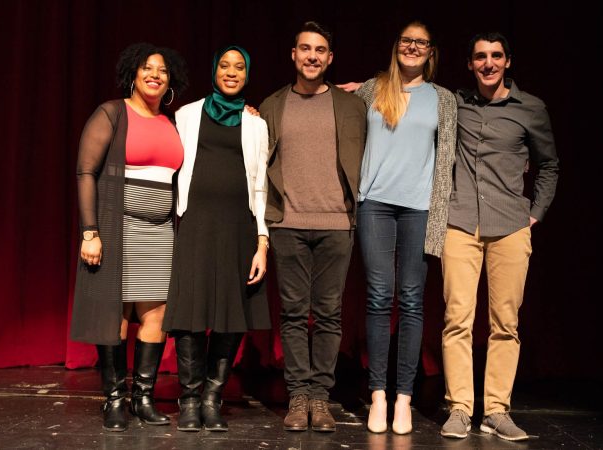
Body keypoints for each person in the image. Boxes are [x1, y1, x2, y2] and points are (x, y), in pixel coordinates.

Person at [438, 32, 559, 441]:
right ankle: (459, 407)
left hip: (509, 226)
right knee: (457, 319)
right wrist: (357, 89)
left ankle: (495, 409)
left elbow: (549, 165)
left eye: (496, 56)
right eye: (480, 57)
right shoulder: (454, 103)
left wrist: (535, 214)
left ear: (508, 61)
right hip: (460, 223)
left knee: (505, 323)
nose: (488, 63)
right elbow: (406, 91)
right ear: (469, 64)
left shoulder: (531, 109)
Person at [344, 20, 457, 435]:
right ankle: (378, 395)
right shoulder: (372, 90)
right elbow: (329, 106)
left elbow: (450, 154)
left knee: (411, 300)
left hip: (420, 208)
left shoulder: (443, 100)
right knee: (378, 296)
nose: (412, 47)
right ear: (397, 46)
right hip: (374, 204)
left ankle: (404, 399)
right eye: (406, 41)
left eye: (421, 43)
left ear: (431, 52)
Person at [71, 42, 189, 432]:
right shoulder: (112, 112)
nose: (155, 75)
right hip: (119, 227)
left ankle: (143, 398)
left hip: (161, 232)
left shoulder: (171, 122)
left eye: (163, 70)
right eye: (147, 68)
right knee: (117, 315)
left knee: (154, 314)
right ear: (133, 75)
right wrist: (91, 231)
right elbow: (86, 171)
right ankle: (115, 400)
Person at [258, 21, 367, 433]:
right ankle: (298, 395)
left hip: (337, 224)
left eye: (320, 50)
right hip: (288, 222)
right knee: (291, 313)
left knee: (328, 314)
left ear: (330, 58)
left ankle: (320, 398)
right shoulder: (272, 105)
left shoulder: (351, 105)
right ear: (293, 54)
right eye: (305, 49)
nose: (312, 56)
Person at [162, 45, 271, 433]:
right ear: (214, 70)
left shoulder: (257, 123)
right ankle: (189, 399)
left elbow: (261, 187)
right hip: (196, 225)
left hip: (239, 227)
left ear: (247, 74)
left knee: (231, 315)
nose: (231, 72)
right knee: (190, 314)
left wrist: (262, 242)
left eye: (239, 66)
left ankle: (212, 397)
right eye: (224, 65)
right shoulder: (187, 115)